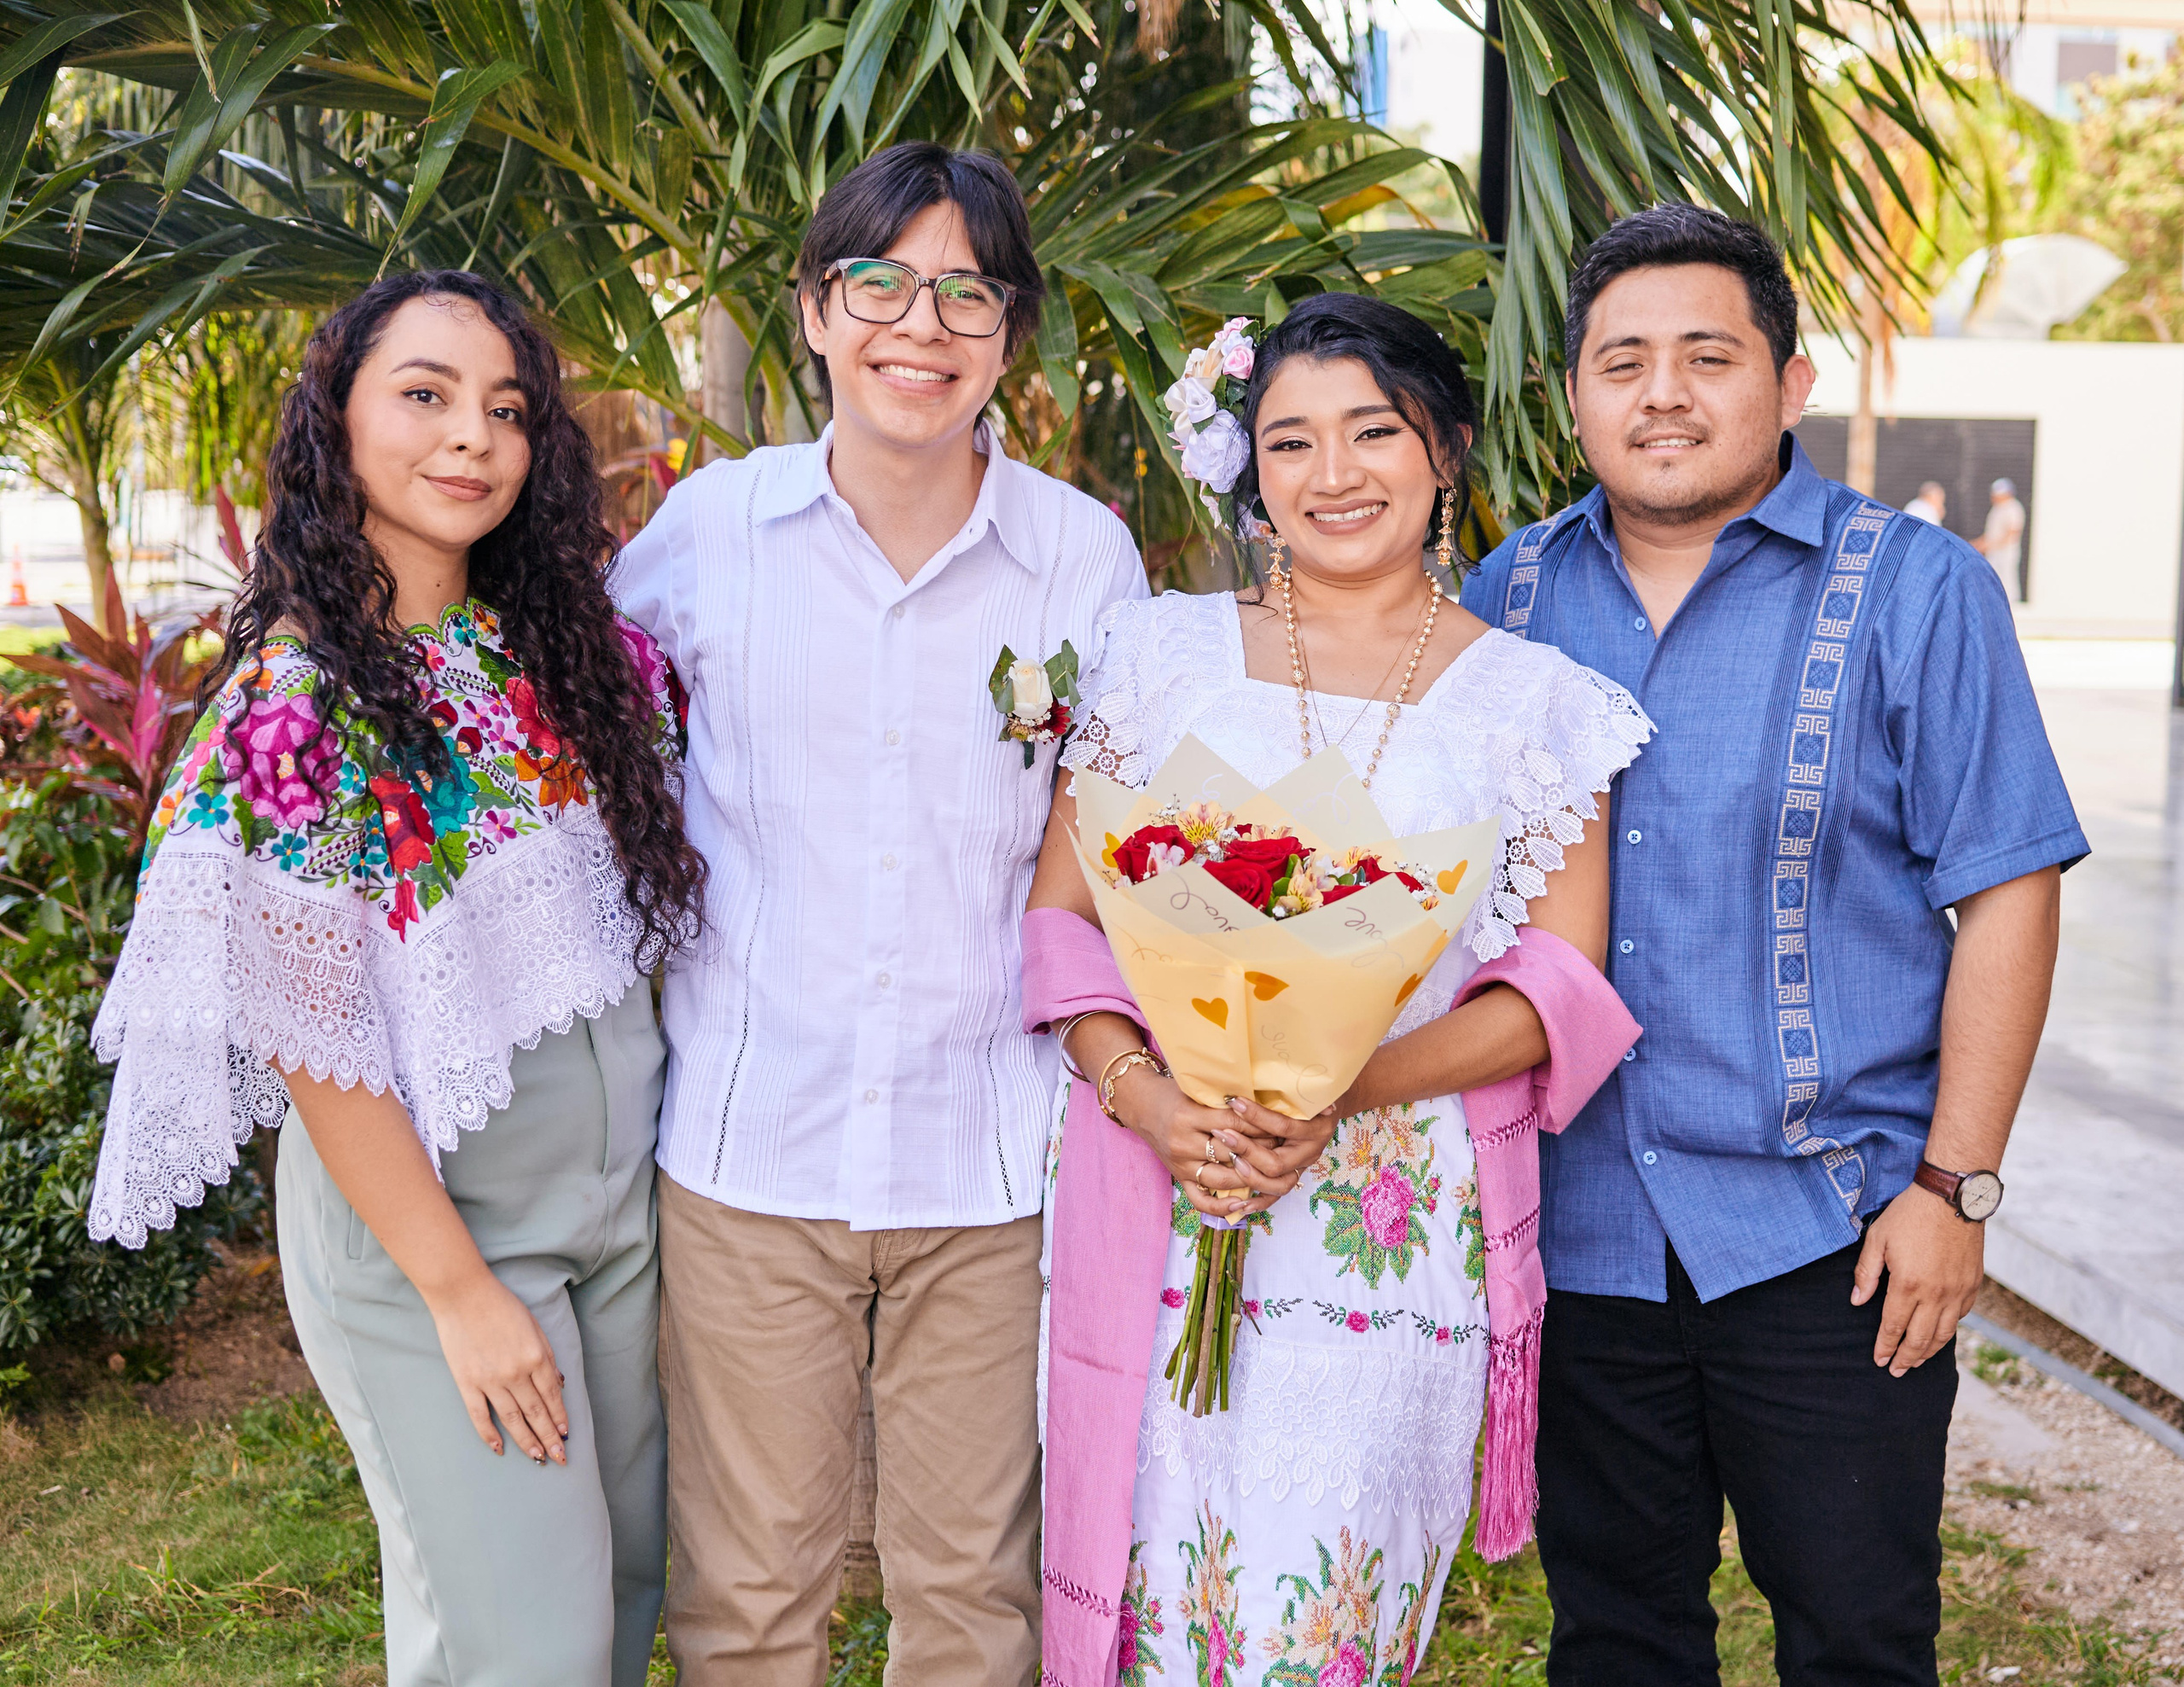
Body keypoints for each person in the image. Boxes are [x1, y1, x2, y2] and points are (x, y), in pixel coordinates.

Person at [1462, 204, 2087, 1686]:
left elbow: (2007, 887)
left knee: (1861, 1638)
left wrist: (1956, 1186)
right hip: (1584, 1232)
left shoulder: (1918, 590)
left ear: (1788, 383)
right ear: (1572, 397)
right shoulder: (1508, 601)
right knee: (1615, 1639)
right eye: (1623, 361)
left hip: (1839, 1237)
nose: (1662, 393)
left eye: (1706, 354)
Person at [89, 270, 707, 1686]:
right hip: (444, 1237)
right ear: (340, 426)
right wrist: (460, 1290)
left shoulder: (563, 652)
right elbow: (315, 1032)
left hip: (615, 1219)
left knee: (613, 1603)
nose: (471, 438)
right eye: (423, 396)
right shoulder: (287, 706)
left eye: (503, 408)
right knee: (525, 1651)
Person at [1026, 292, 1652, 1685]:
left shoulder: (1543, 706)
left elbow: (1553, 986)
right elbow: (1064, 926)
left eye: (1376, 430)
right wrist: (1151, 1094)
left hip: (1391, 1220)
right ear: (1251, 475)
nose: (1335, 472)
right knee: (1150, 1603)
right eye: (1292, 440)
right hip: (1165, 1181)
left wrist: (1333, 1086)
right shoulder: (1158, 653)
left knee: (1324, 1620)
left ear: (1448, 452)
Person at [610, 141, 1147, 1685]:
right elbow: (577, 720)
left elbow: (1127, 838)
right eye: (880, 284)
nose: (923, 324)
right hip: (748, 1144)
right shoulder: (713, 532)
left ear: (1011, 332)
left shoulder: (1081, 560)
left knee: (974, 1597)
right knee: (749, 1594)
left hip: (987, 1153)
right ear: (816, 311)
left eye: (967, 291)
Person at [1976, 476, 2027, 601]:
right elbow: (1991, 533)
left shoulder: (2013, 508)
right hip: (1994, 553)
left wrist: (1991, 545)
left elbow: (2012, 534)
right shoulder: (1997, 509)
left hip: (2005, 553)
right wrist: (1979, 544)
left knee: (2007, 582)